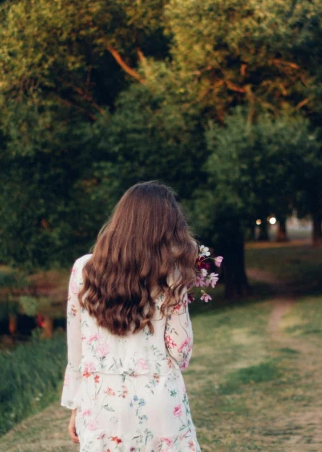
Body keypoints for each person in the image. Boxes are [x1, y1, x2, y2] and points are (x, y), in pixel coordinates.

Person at [61, 181, 201, 451]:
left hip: (100, 403)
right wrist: (181, 287)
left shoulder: (83, 269)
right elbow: (181, 352)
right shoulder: (171, 275)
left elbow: (75, 349)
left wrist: (76, 406)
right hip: (158, 402)